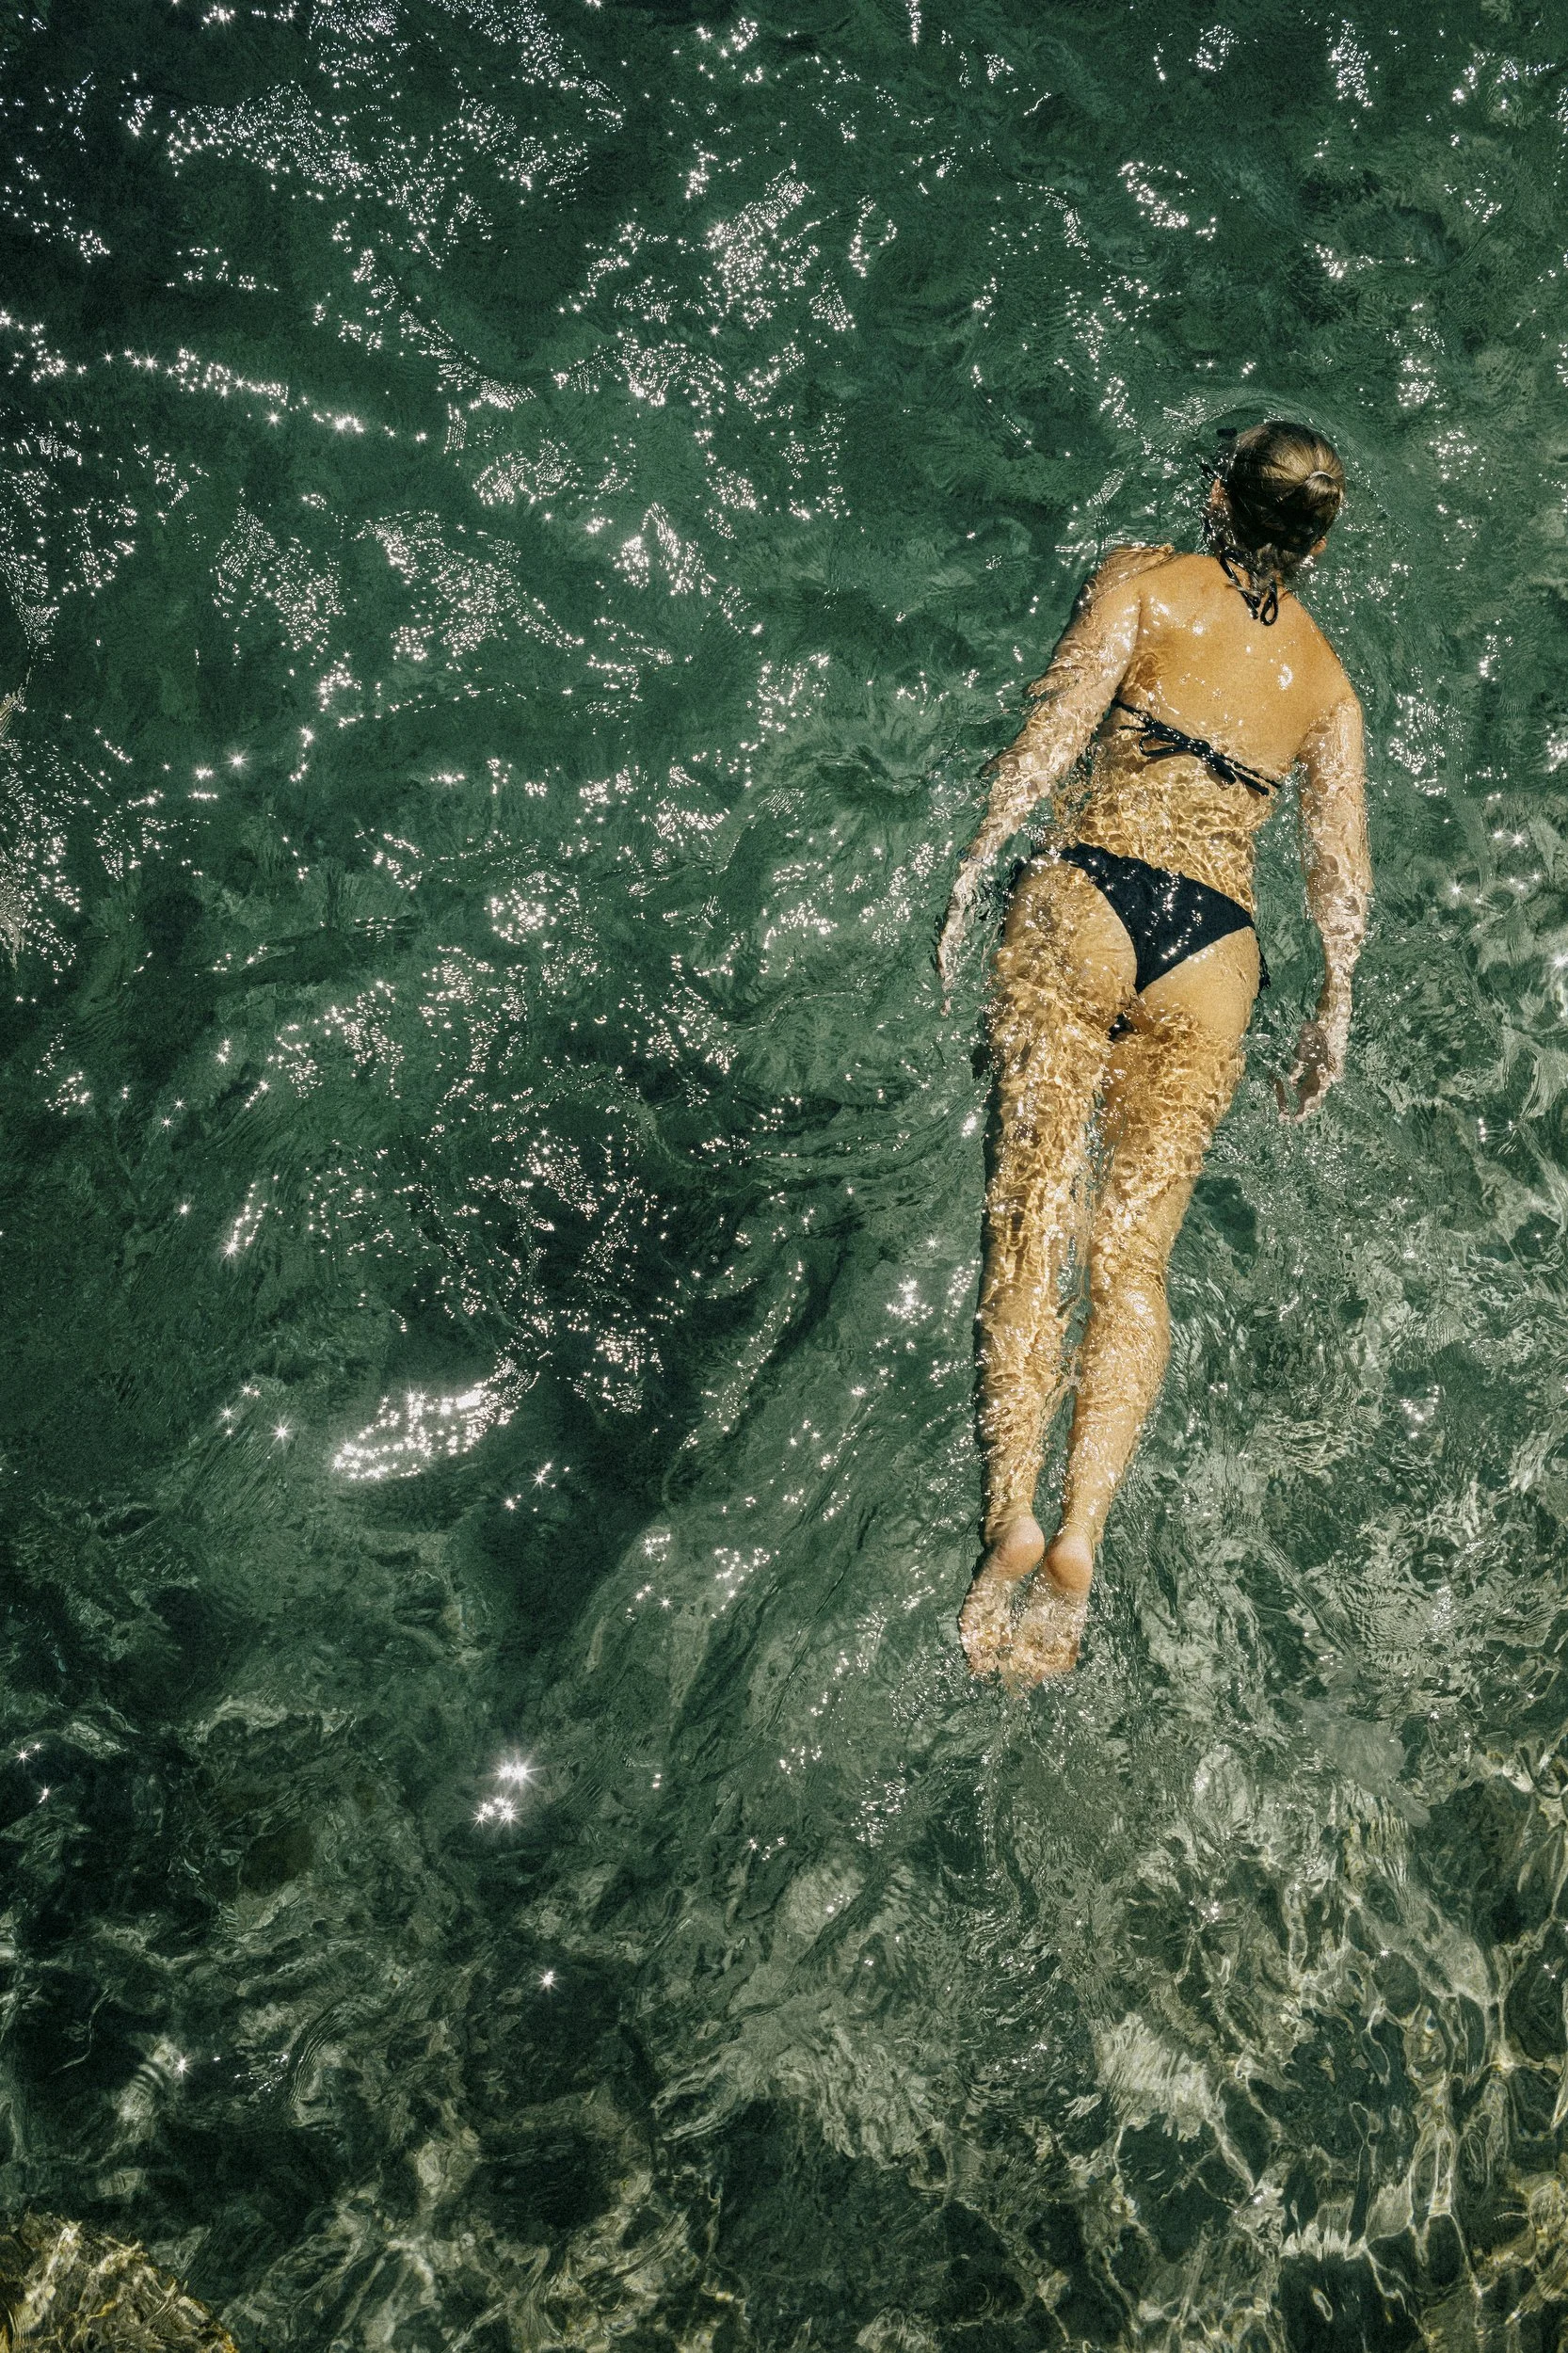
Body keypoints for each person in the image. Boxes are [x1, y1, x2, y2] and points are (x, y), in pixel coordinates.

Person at [936, 421, 1371, 1686]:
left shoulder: (1141, 578)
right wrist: (1332, 1002)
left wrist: (973, 870)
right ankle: (1082, 1538)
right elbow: (1335, 872)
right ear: (1321, 543)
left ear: (1212, 495)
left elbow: (1058, 728)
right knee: (1132, 1259)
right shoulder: (1327, 686)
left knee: (1031, 1211)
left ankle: (1005, 1522)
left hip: (1090, 892)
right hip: (1215, 953)